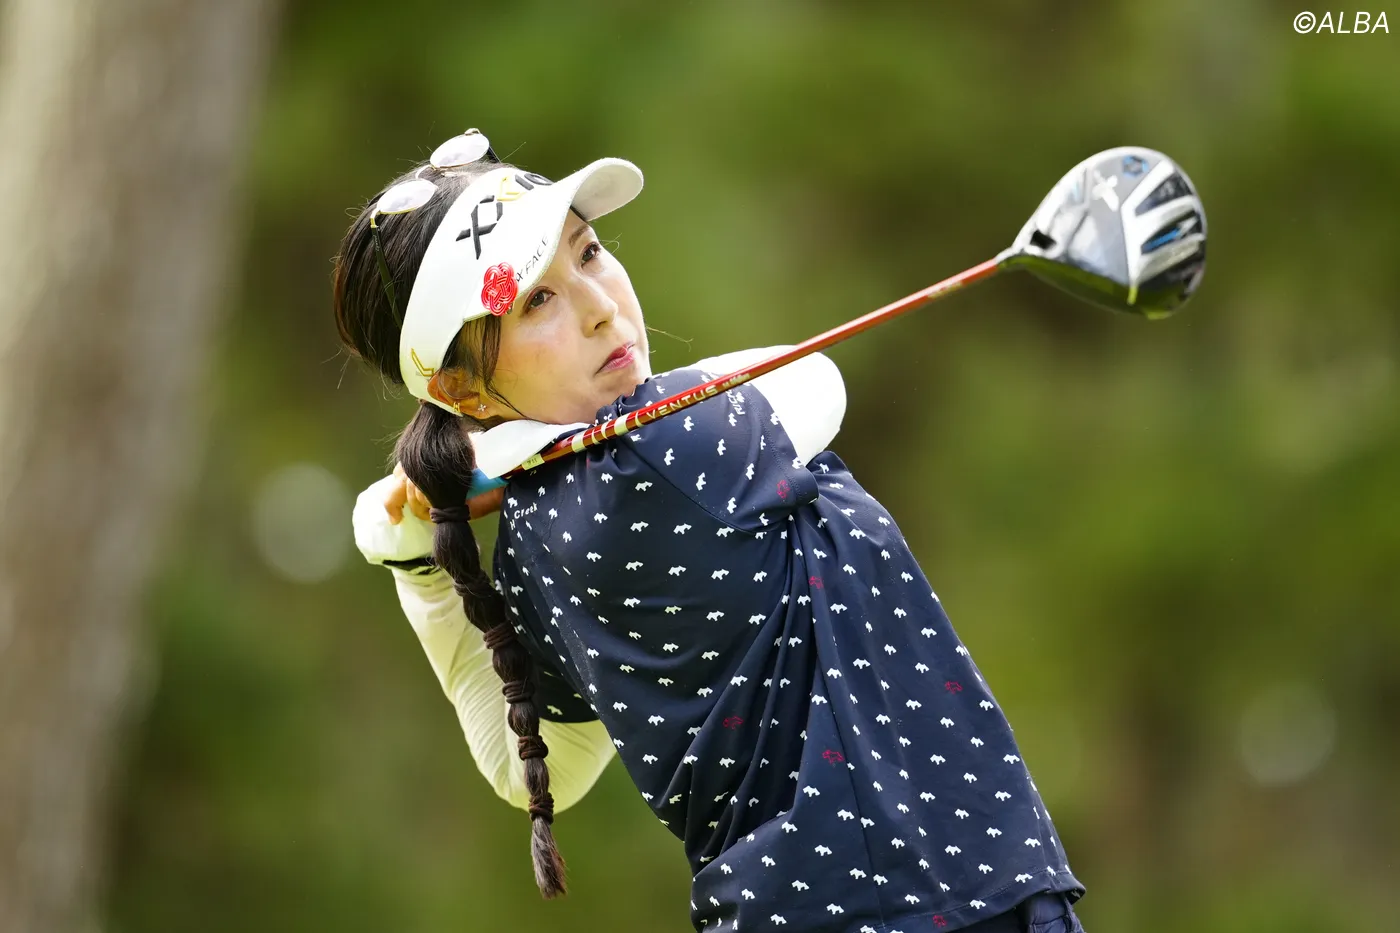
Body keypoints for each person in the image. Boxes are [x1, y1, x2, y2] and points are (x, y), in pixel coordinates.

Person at [336, 129, 1087, 933]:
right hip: (925, 907)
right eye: (536, 301)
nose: (599, 307)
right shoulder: (665, 449)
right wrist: (494, 456)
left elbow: (536, 769)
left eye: (588, 253)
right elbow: (817, 379)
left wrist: (415, 559)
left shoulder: (532, 540)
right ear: (462, 390)